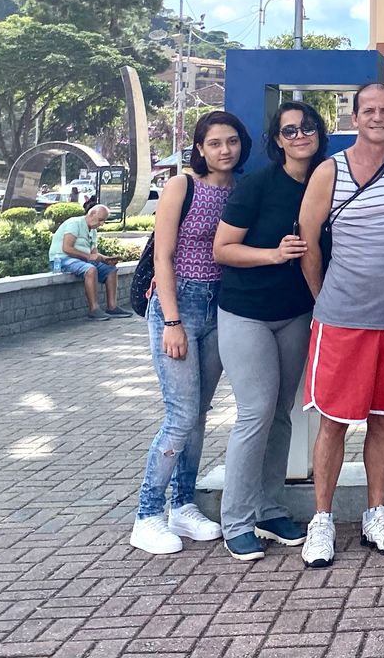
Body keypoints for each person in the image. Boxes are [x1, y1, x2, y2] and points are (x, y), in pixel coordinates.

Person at [297, 82, 384, 567]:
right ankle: (322, 520)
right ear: (353, 118)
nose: (376, 117)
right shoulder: (329, 171)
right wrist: (323, 297)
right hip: (342, 318)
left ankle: (376, 512)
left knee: (383, 419)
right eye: (367, 110)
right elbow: (308, 245)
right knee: (332, 422)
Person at [130, 110, 249, 555]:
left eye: (231, 142)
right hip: (177, 303)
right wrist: (173, 322)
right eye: (215, 142)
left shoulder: (239, 189)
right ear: (199, 148)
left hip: (222, 305)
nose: (224, 150)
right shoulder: (182, 186)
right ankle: (146, 514)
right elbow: (163, 256)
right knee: (179, 416)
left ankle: (182, 504)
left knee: (198, 413)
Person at [212, 101, 324, 561]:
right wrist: (273, 255)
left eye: (308, 127)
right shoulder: (258, 185)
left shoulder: (327, 181)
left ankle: (269, 508)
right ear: (278, 140)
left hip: (296, 312)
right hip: (246, 312)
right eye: (289, 130)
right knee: (255, 412)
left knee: (281, 413)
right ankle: (235, 520)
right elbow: (223, 249)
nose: (300, 135)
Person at [49, 204, 130, 320]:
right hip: (62, 259)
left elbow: (94, 254)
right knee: (91, 270)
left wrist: (106, 259)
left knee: (111, 270)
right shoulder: (74, 223)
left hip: (81, 260)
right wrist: (89, 256)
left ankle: (112, 307)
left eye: (104, 221)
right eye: (100, 220)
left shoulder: (93, 231)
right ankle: (94, 309)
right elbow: (66, 248)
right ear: (92, 214)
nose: (101, 224)